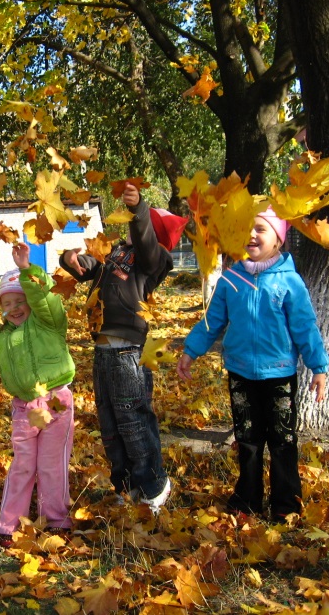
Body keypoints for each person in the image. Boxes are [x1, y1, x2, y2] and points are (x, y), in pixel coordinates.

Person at [178, 207, 329, 522]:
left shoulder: (290, 281)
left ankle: (286, 504)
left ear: (278, 237)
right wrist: (191, 351)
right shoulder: (231, 280)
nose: (251, 235)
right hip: (241, 373)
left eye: (260, 228)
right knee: (247, 440)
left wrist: (318, 367)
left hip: (280, 375)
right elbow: (212, 321)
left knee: (282, 440)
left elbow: (305, 326)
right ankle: (247, 500)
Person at [59, 182, 187, 514]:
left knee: (133, 420)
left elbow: (146, 243)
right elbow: (89, 266)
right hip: (103, 351)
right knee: (111, 422)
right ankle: (126, 485)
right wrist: (70, 259)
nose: (131, 230)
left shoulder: (154, 261)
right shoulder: (114, 253)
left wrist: (138, 210)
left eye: (139, 226)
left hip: (129, 351)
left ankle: (154, 486)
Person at [0, 243, 76, 546]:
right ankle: (9, 524)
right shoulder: (0, 338)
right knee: (22, 465)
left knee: (52, 464)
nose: (14, 308)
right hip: (23, 407)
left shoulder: (48, 321)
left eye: (20, 300)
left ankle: (57, 519)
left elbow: (44, 298)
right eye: (7, 303)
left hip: (56, 400)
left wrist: (26, 270)